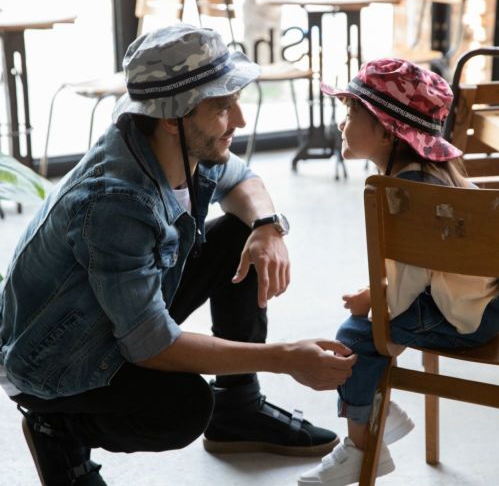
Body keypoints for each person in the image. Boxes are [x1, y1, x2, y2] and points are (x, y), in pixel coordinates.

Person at [0, 24, 357, 486]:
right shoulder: (115, 203)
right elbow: (152, 345)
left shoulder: (173, 143)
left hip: (105, 316)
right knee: (183, 407)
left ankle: (239, 410)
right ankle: (58, 428)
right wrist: (286, 358)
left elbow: (242, 178)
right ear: (172, 118)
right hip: (54, 361)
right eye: (222, 107)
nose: (240, 120)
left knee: (241, 234)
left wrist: (268, 227)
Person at [297, 58, 499, 486]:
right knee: (371, 329)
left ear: (387, 132)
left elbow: (409, 282)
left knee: (355, 338)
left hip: (469, 317)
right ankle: (376, 409)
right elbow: (420, 269)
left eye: (351, 113)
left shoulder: (407, 192)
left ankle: (361, 446)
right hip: (481, 299)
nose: (341, 123)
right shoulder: (428, 175)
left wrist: (373, 298)